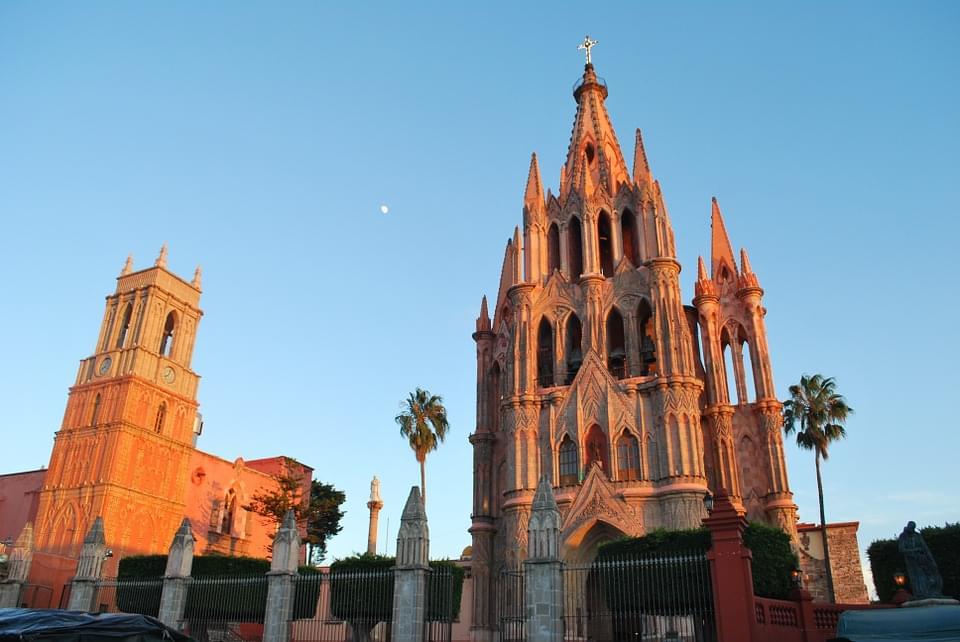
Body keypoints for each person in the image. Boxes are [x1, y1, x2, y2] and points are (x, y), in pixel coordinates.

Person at [897, 521, 943, 599]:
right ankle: (920, 593)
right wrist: (915, 550)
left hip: (922, 558)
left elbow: (925, 548)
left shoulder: (917, 536)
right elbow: (901, 549)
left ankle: (928, 591)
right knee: (916, 577)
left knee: (926, 574)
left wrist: (931, 560)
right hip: (911, 561)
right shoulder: (903, 536)